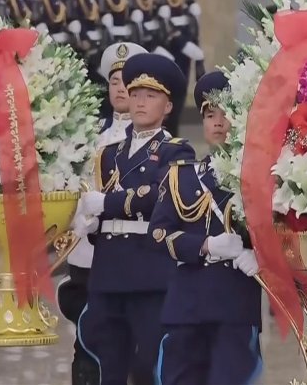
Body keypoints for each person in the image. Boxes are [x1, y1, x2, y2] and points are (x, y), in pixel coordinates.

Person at [75, 53, 196, 385]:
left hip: (149, 269)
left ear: (168, 107)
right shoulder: (108, 154)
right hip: (108, 270)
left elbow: (161, 195)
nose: (140, 102)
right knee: (109, 362)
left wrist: (107, 203)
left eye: (151, 96)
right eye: (136, 94)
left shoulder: (177, 150)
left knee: (148, 364)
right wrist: (88, 219)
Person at [150, 71, 262, 385]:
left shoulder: (263, 177)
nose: (218, 123)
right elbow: (159, 235)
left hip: (236, 306)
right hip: (187, 306)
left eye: (226, 114)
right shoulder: (182, 177)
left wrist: (260, 258)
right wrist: (205, 246)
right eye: (210, 115)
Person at [56, 41, 148, 385]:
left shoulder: (155, 140)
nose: (121, 87)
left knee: (135, 350)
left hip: (133, 262)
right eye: (114, 81)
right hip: (88, 260)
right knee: (89, 346)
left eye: (129, 80)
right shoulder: (86, 136)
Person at [155, 0, 206, 136]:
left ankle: (173, 137)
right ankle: (165, 137)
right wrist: (180, 40)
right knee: (168, 95)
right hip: (169, 44)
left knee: (180, 93)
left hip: (185, 43)